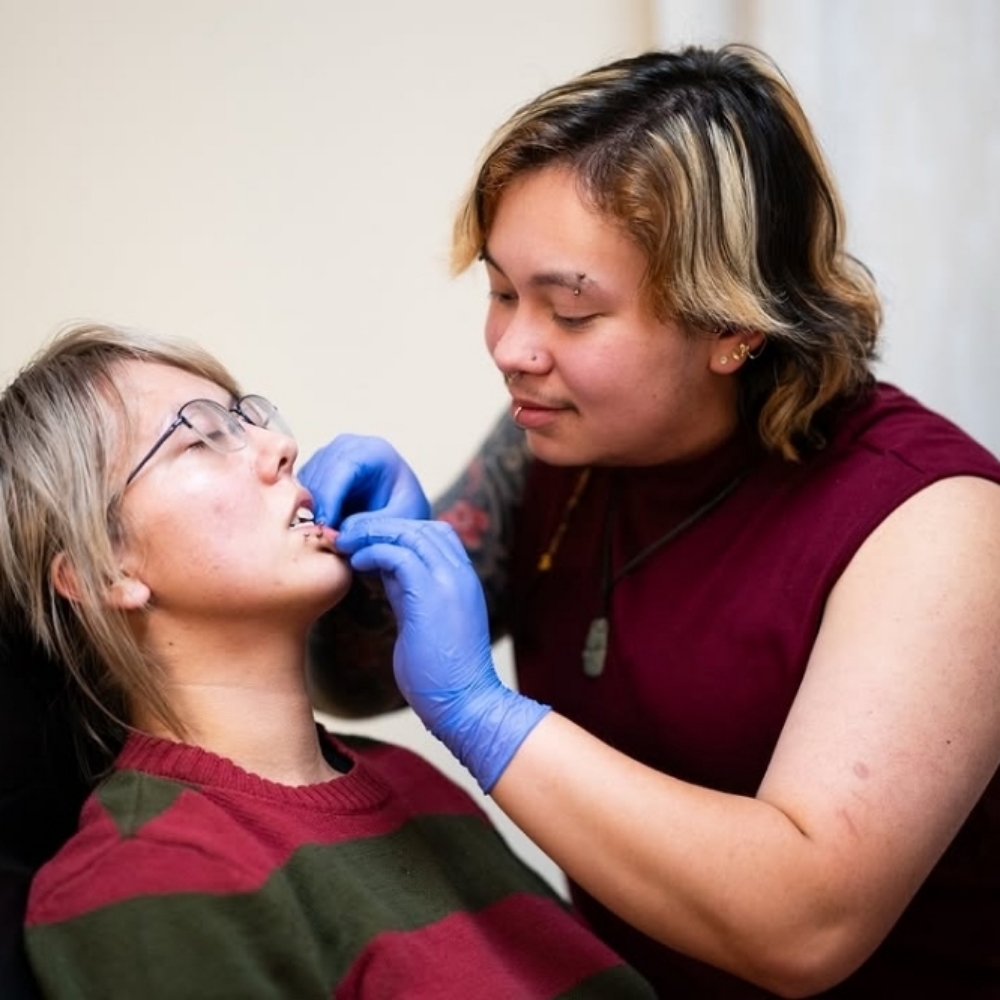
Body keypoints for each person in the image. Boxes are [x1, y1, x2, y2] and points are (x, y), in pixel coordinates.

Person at [299, 45, 1000, 998]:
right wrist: (355, 578)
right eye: (502, 291)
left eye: (572, 313)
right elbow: (354, 678)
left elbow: (806, 924)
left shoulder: (937, 526)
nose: (512, 348)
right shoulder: (556, 446)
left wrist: (484, 715)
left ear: (733, 327)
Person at [0, 323, 655, 999]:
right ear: (100, 569)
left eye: (249, 417)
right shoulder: (140, 878)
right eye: (200, 436)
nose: (281, 448)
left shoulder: (408, 780)